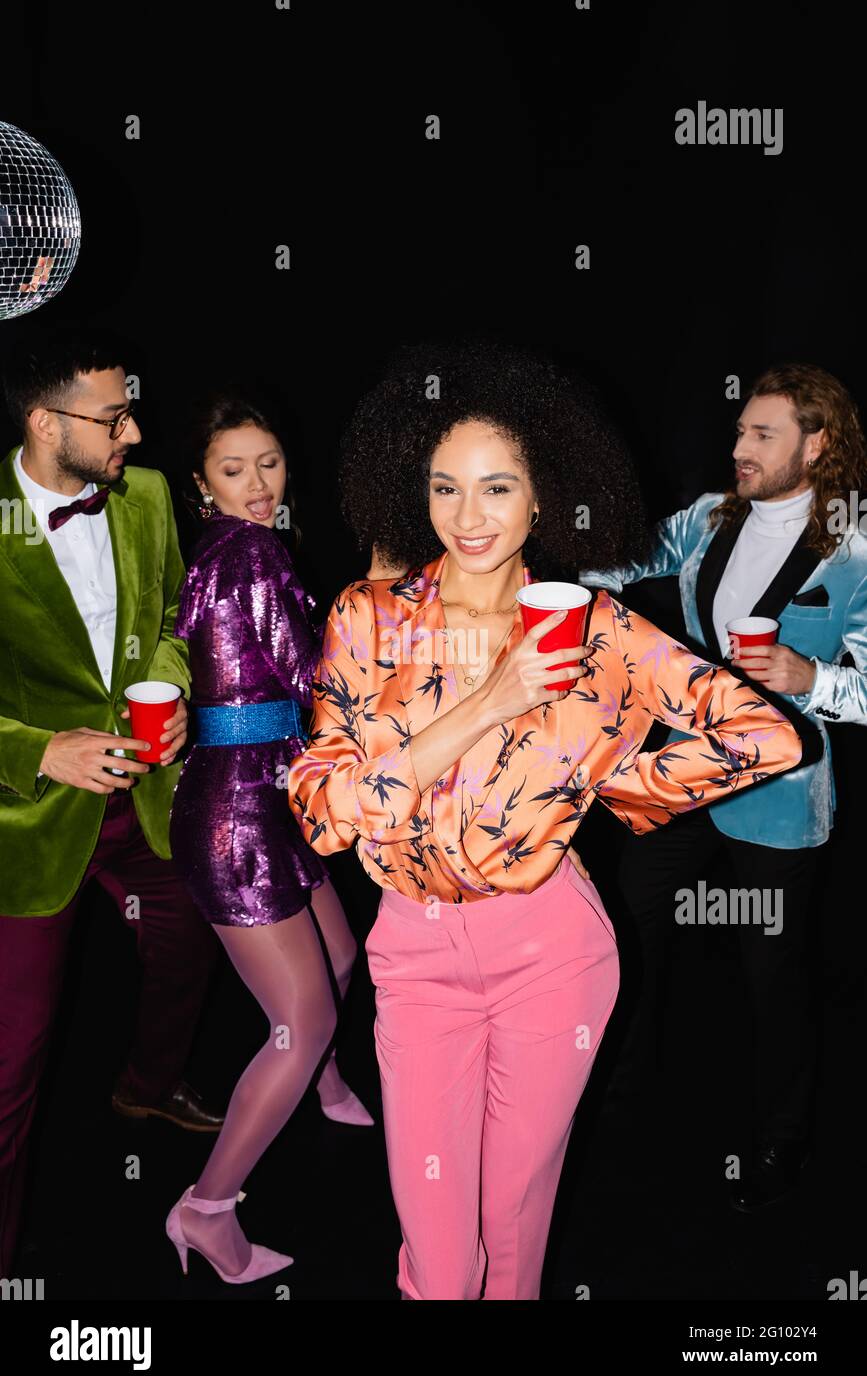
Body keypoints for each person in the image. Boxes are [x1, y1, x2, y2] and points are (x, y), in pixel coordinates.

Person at [286, 340, 804, 1299]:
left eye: (496, 488)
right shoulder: (367, 617)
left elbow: (764, 737)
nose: (467, 516)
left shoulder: (599, 631)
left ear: (541, 497)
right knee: (440, 1262)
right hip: (415, 952)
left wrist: (616, 789)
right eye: (445, 489)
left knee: (514, 1230)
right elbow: (322, 812)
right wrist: (486, 702)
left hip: (552, 954)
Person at [579, 363, 867, 1211]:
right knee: (623, 934)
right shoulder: (711, 516)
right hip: (690, 769)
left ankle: (782, 1143)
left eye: (760, 435)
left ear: (816, 445)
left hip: (781, 795)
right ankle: (608, 1109)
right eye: (739, 431)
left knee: (771, 977)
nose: (736, 448)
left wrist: (805, 675)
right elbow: (621, 562)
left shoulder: (853, 546)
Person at [0, 330, 224, 1279]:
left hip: (142, 800)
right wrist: (39, 748)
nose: (135, 428)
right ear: (44, 423)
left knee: (191, 941)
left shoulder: (148, 494)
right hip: (29, 823)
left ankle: (148, 1084)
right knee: (11, 1069)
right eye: (112, 415)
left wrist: (171, 694)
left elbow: (175, 615)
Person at [165, 394, 373, 1286]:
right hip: (239, 813)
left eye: (271, 464)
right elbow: (310, 675)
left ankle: (320, 1084)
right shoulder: (251, 549)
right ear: (200, 483)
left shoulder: (221, 548)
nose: (258, 485)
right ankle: (205, 1211)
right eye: (232, 469)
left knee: (340, 952)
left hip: (261, 793)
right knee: (303, 1016)